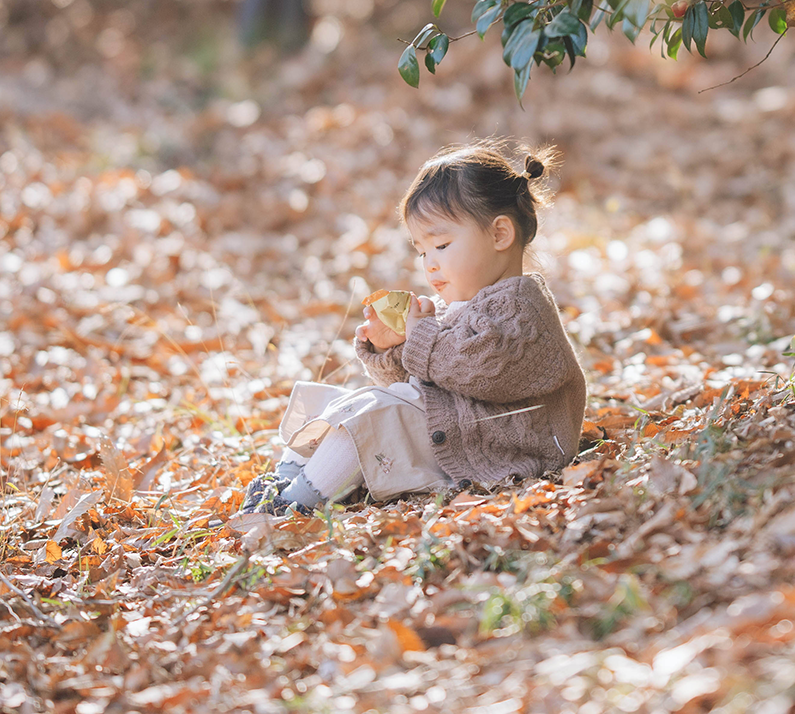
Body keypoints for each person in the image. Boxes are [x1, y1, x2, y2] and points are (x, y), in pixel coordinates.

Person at [240, 141, 587, 515]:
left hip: (499, 449)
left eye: (441, 244)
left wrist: (419, 338)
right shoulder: (455, 304)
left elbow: (482, 370)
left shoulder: (521, 307)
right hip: (457, 429)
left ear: (500, 235)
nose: (429, 264)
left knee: (370, 419)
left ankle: (294, 504)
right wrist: (394, 348)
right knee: (338, 403)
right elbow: (416, 382)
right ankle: (284, 480)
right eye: (422, 251)